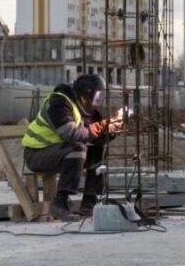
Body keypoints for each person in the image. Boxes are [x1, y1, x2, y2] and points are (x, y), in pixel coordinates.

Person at [21, 74, 122, 221]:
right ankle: (60, 204)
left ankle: (89, 203)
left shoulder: (88, 110)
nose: (98, 101)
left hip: (58, 152)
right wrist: (99, 128)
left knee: (97, 151)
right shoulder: (58, 103)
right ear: (85, 95)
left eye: (101, 96)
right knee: (77, 149)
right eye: (97, 96)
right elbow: (70, 133)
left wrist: (110, 131)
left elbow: (97, 138)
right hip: (36, 154)